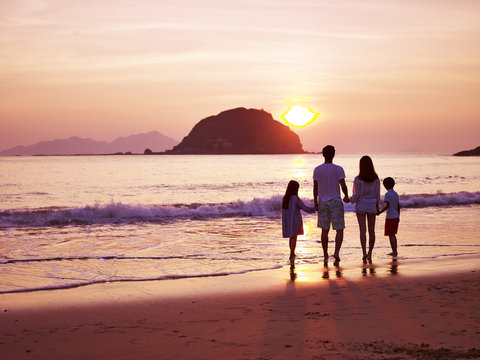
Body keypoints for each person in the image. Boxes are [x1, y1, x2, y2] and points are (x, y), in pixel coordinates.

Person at [313, 145, 349, 267]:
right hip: (336, 201)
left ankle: (325, 254)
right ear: (333, 154)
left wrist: (315, 202)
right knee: (339, 229)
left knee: (325, 230)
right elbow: (343, 185)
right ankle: (336, 252)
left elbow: (316, 188)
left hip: (323, 202)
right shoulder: (339, 169)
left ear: (323, 154)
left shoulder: (317, 169)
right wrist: (347, 196)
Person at [350, 156, 380, 264]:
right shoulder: (376, 179)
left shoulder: (358, 179)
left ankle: (364, 253)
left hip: (361, 205)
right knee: (372, 230)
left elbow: (356, 195)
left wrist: (350, 200)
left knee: (362, 230)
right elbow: (377, 195)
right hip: (372, 205)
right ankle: (370, 253)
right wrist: (377, 207)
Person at [282, 180, 316, 264]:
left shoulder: (285, 198)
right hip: (295, 220)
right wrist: (315, 209)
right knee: (294, 237)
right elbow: (305, 208)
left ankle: (292, 252)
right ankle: (292, 253)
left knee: (291, 238)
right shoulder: (295, 198)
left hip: (287, 220)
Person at [377, 177, 400, 257]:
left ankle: (394, 251)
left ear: (385, 186)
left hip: (390, 217)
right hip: (396, 216)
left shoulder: (387, 194)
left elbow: (387, 206)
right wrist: (399, 216)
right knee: (393, 234)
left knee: (391, 235)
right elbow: (398, 206)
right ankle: (394, 250)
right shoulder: (395, 193)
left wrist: (379, 212)